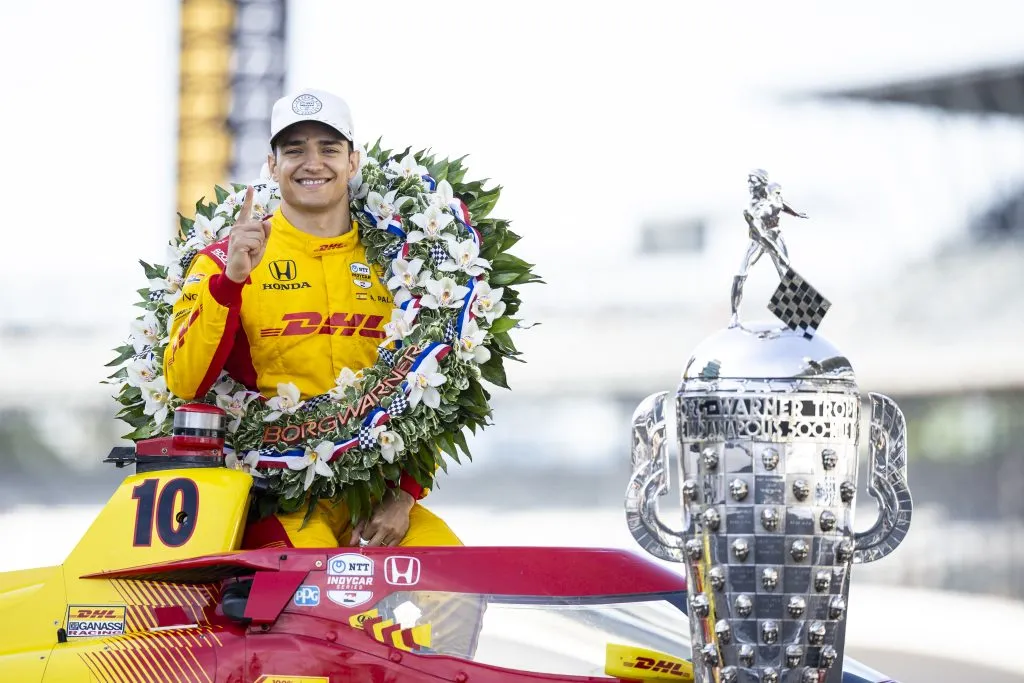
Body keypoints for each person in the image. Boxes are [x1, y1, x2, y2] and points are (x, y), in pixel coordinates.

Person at [163, 87, 461, 550]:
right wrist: (231, 281)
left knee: (455, 587)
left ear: (353, 161)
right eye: (295, 150)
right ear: (272, 165)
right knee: (319, 587)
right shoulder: (225, 259)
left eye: (328, 148)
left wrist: (404, 495)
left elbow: (434, 383)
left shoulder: (406, 262)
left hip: (380, 499)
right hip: (279, 501)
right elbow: (184, 382)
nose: (312, 163)